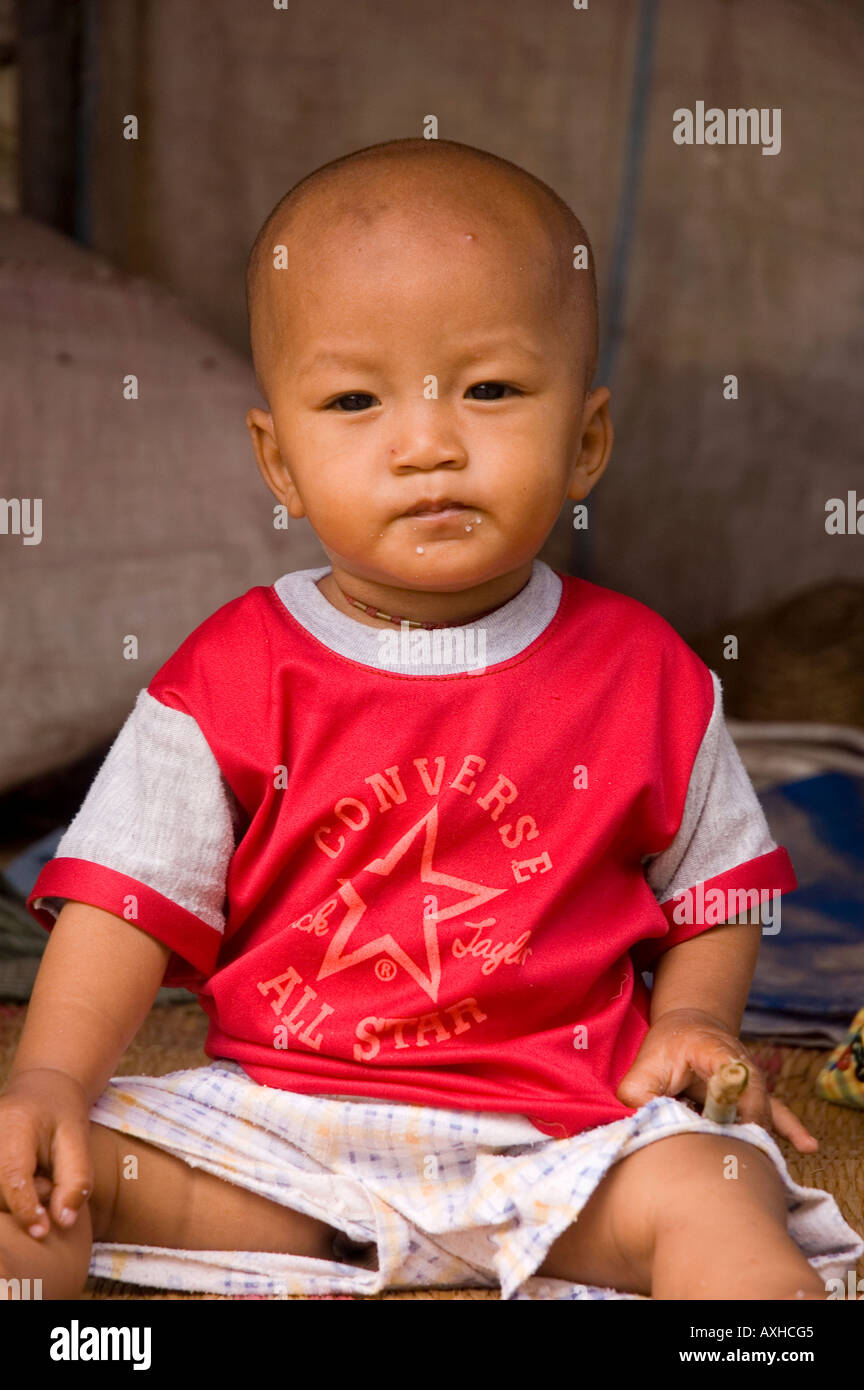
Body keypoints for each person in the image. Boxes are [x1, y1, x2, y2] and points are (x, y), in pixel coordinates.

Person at [2, 137, 861, 1301]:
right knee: (30, 1173)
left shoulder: (649, 673)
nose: (427, 444)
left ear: (587, 441)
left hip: (565, 1141)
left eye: (491, 389)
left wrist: (696, 1019)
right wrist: (49, 1077)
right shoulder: (229, 673)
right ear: (280, 462)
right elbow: (117, 903)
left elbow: (712, 889)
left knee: (718, 1191)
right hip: (279, 1133)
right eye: (354, 399)